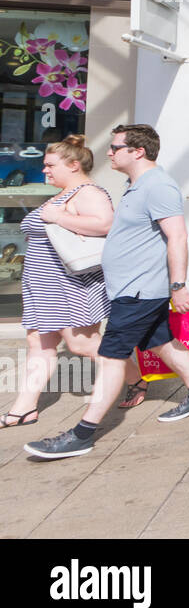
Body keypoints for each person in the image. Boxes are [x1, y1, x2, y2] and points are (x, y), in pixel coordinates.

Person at [25, 124, 189, 460]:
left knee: (112, 359)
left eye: (116, 148)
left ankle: (82, 434)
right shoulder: (136, 184)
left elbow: (178, 237)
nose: (109, 153)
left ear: (137, 151)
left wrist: (179, 286)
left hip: (140, 290)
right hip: (132, 288)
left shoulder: (158, 186)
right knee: (160, 341)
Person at [1, 136, 116, 429]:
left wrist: (60, 216)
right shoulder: (63, 193)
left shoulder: (88, 191)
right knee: (38, 343)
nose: (45, 171)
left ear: (74, 165)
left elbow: (106, 224)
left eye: (50, 165)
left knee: (81, 344)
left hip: (69, 285)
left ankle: (133, 378)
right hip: (42, 285)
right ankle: (24, 409)